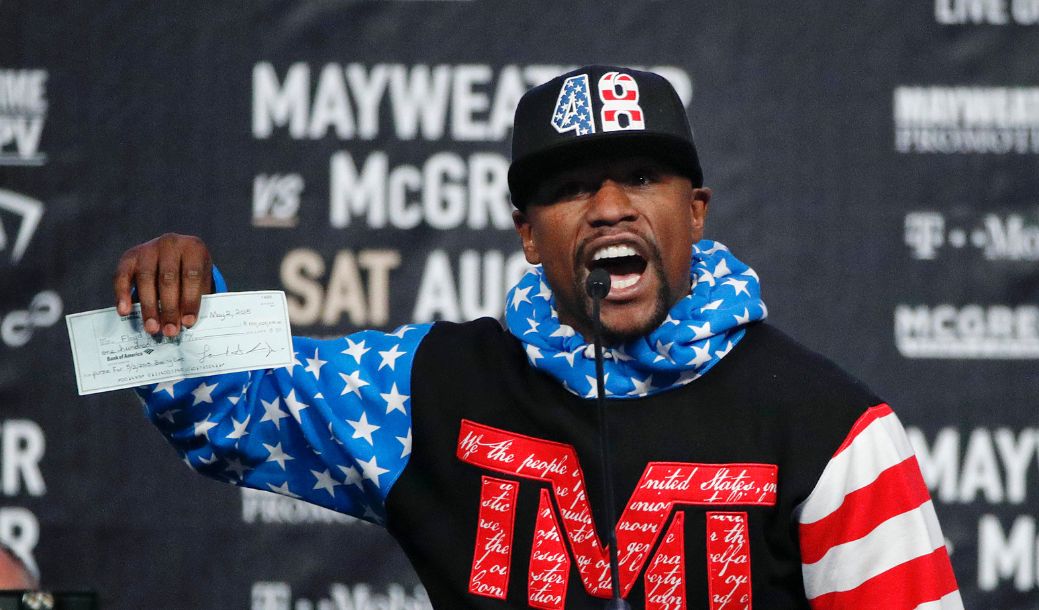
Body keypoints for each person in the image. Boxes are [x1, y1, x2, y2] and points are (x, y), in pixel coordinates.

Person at [116, 66, 962, 609]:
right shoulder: (433, 386)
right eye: (567, 188)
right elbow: (233, 408)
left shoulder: (832, 428)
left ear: (694, 212)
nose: (607, 207)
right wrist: (186, 298)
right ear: (528, 235)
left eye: (640, 176)